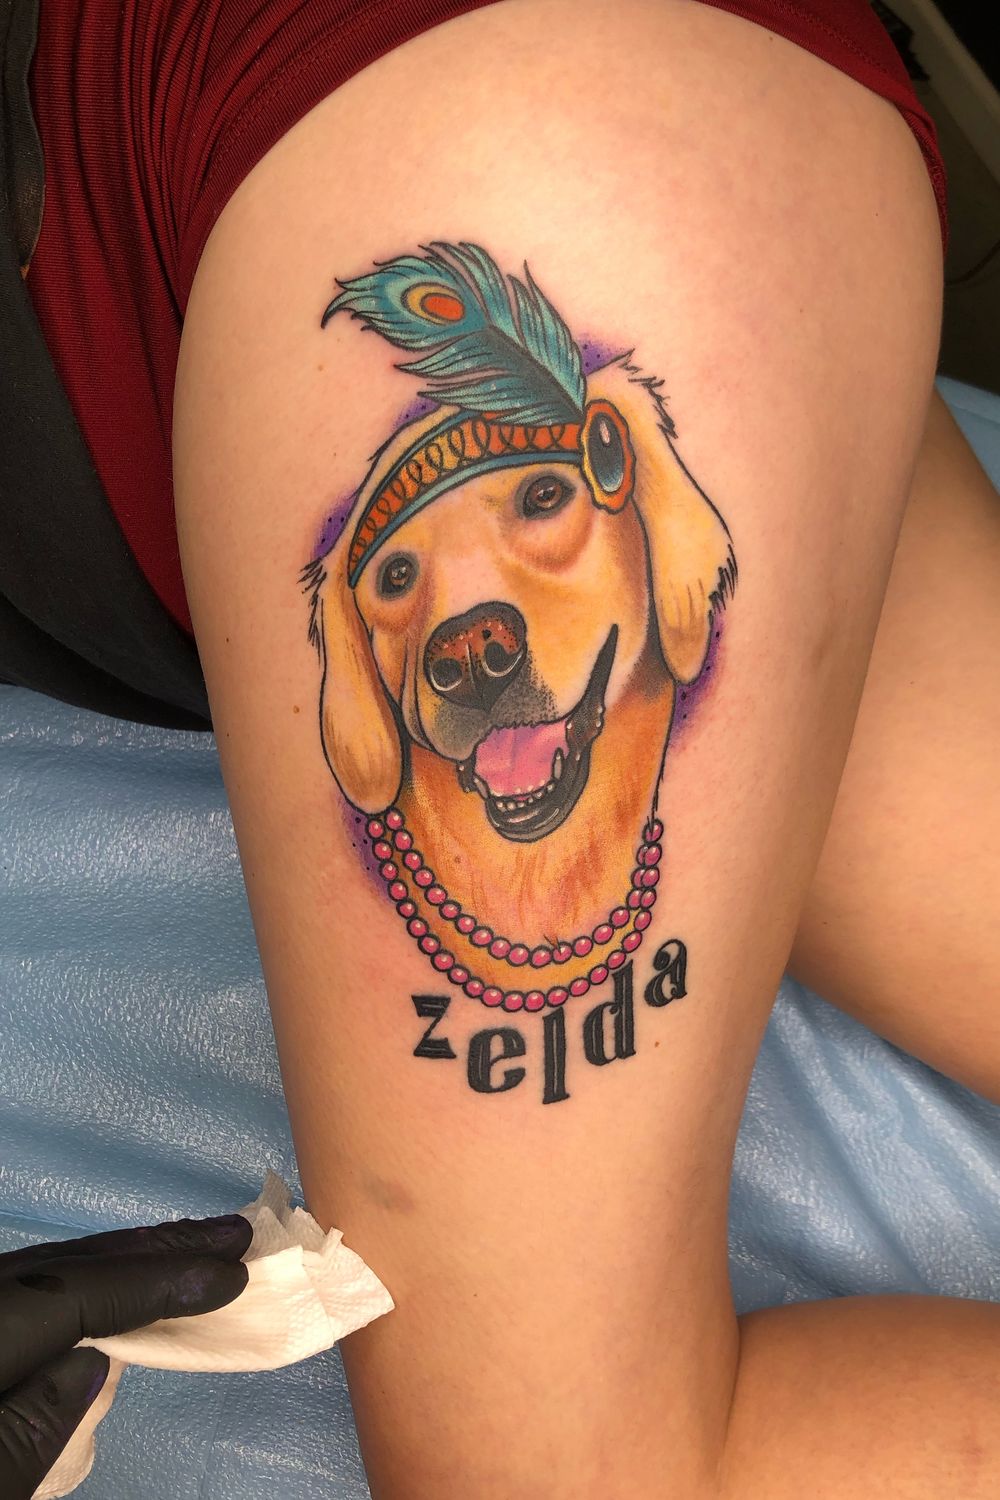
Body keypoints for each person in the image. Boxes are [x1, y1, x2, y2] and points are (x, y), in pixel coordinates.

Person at [2, 0, 999, 1496]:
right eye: (399, 577)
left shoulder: (527, 180)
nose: (465, 630)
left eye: (542, 505)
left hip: (510, 137)